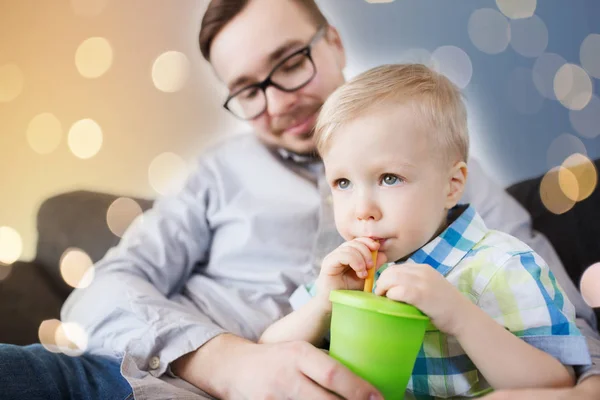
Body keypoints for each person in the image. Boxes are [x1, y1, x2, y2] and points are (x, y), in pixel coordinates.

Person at [0, 0, 598, 399]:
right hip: (149, 378)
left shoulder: (449, 175)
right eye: (247, 91)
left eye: (289, 62)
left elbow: (568, 332)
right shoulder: (217, 173)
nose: (278, 101)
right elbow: (101, 290)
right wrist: (229, 365)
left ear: (333, 42)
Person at [259, 63, 591, 397]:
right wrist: (324, 305)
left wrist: (460, 317)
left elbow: (556, 383)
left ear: (452, 185)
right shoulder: (352, 273)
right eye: (343, 183)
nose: (362, 210)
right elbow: (266, 354)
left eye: (390, 178)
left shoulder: (502, 267)